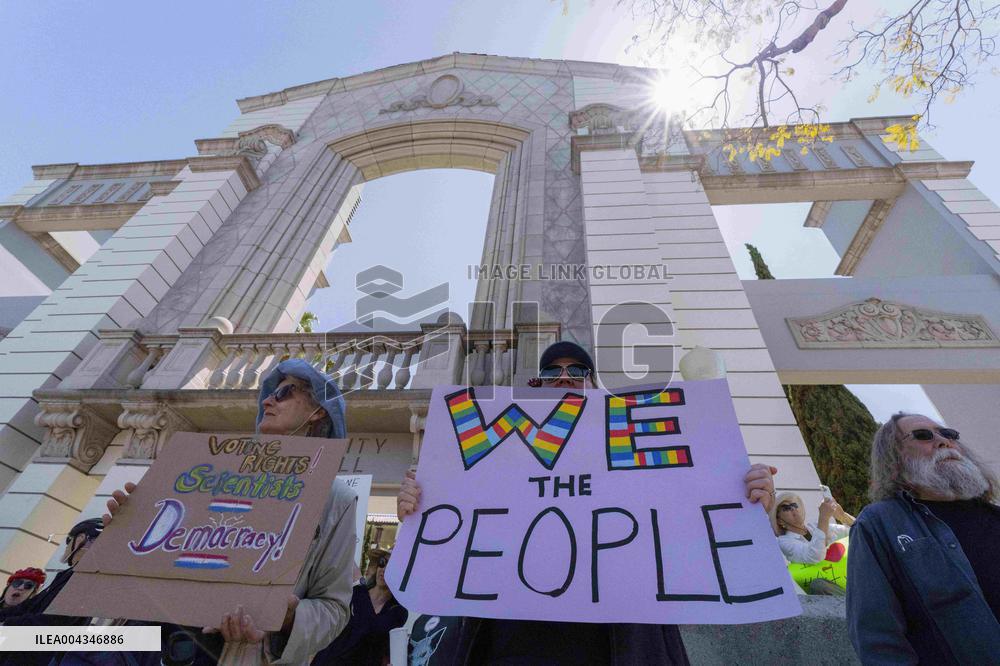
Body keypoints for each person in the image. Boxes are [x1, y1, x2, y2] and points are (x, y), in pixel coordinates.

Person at [397, 340, 779, 665]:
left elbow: (685, 529)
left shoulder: (638, 451)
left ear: (594, 385)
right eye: (551, 373)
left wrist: (742, 504)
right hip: (506, 643)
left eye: (577, 370)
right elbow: (453, 538)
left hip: (619, 645)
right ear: (537, 386)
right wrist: (418, 508)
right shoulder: (499, 458)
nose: (564, 377)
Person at [104, 359, 358, 666]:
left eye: (283, 393)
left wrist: (290, 615)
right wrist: (126, 535)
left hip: (234, 654)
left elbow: (334, 610)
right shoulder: (203, 473)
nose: (266, 400)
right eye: (269, 394)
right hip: (144, 643)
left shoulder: (335, 498)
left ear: (318, 410)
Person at [847, 412, 1000, 663]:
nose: (943, 441)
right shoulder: (879, 524)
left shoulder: (994, 517)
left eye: (948, 434)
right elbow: (876, 636)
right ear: (895, 457)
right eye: (923, 435)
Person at [311, 549, 408, 665]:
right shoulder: (355, 593)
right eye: (382, 562)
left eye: (391, 566)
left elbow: (371, 628)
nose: (384, 569)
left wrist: (358, 582)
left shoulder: (398, 612)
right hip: (329, 660)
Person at [770, 491, 853, 595]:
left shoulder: (815, 527)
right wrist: (824, 517)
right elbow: (814, 556)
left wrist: (842, 516)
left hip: (846, 577)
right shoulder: (784, 541)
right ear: (780, 521)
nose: (792, 508)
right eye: (786, 508)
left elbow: (856, 532)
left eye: (794, 505)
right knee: (818, 584)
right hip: (829, 585)